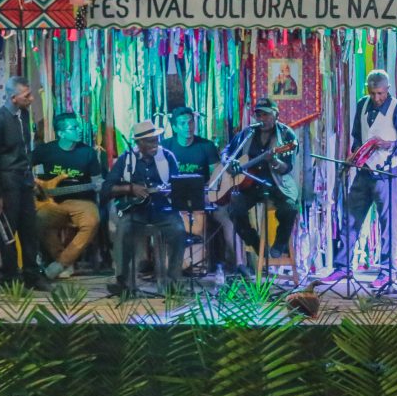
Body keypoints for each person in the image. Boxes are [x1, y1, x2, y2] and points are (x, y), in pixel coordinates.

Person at [323, 69, 397, 288]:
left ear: (388, 90)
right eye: (373, 93)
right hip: (363, 171)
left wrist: (389, 144)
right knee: (351, 218)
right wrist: (355, 154)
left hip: (385, 175)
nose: (376, 98)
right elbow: (357, 136)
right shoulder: (362, 105)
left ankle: (387, 271)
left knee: (387, 224)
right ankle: (343, 267)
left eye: (381, 94)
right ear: (368, 90)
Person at [102, 120, 187, 294]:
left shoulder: (167, 157)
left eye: (156, 139)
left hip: (162, 210)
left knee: (178, 230)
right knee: (124, 230)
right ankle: (123, 282)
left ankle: (173, 281)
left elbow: (177, 185)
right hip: (135, 210)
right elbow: (106, 188)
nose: (154, 144)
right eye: (149, 141)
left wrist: (169, 191)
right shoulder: (127, 159)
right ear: (139, 143)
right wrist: (130, 188)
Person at [161, 105, 246, 278]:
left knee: (228, 218)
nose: (188, 127)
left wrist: (207, 191)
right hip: (173, 198)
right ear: (175, 127)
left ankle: (238, 263)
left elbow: (216, 177)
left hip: (204, 196)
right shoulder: (165, 147)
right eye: (183, 123)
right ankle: (170, 265)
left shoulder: (206, 146)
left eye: (191, 122)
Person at [0, 77, 51, 291]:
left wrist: (31, 179)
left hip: (24, 181)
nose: (31, 99)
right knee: (9, 233)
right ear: (13, 98)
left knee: (29, 230)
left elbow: (24, 151)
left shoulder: (23, 115)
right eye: (27, 96)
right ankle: (11, 277)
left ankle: (32, 274)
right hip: (7, 182)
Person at [223, 97, 299, 262]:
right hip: (249, 184)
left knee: (290, 208)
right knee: (234, 209)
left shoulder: (286, 135)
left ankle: (279, 244)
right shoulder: (247, 133)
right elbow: (227, 151)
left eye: (266, 115)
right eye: (259, 115)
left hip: (276, 184)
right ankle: (256, 244)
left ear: (276, 115)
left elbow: (287, 168)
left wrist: (274, 161)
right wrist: (229, 162)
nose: (262, 119)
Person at [32, 112, 105, 280]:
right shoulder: (46, 151)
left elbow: (98, 182)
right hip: (52, 202)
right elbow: (22, 165)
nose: (79, 130)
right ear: (61, 133)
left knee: (92, 221)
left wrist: (102, 185)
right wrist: (34, 184)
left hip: (82, 201)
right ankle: (64, 260)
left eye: (78, 126)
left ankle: (60, 264)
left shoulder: (87, 152)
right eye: (74, 128)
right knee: (39, 220)